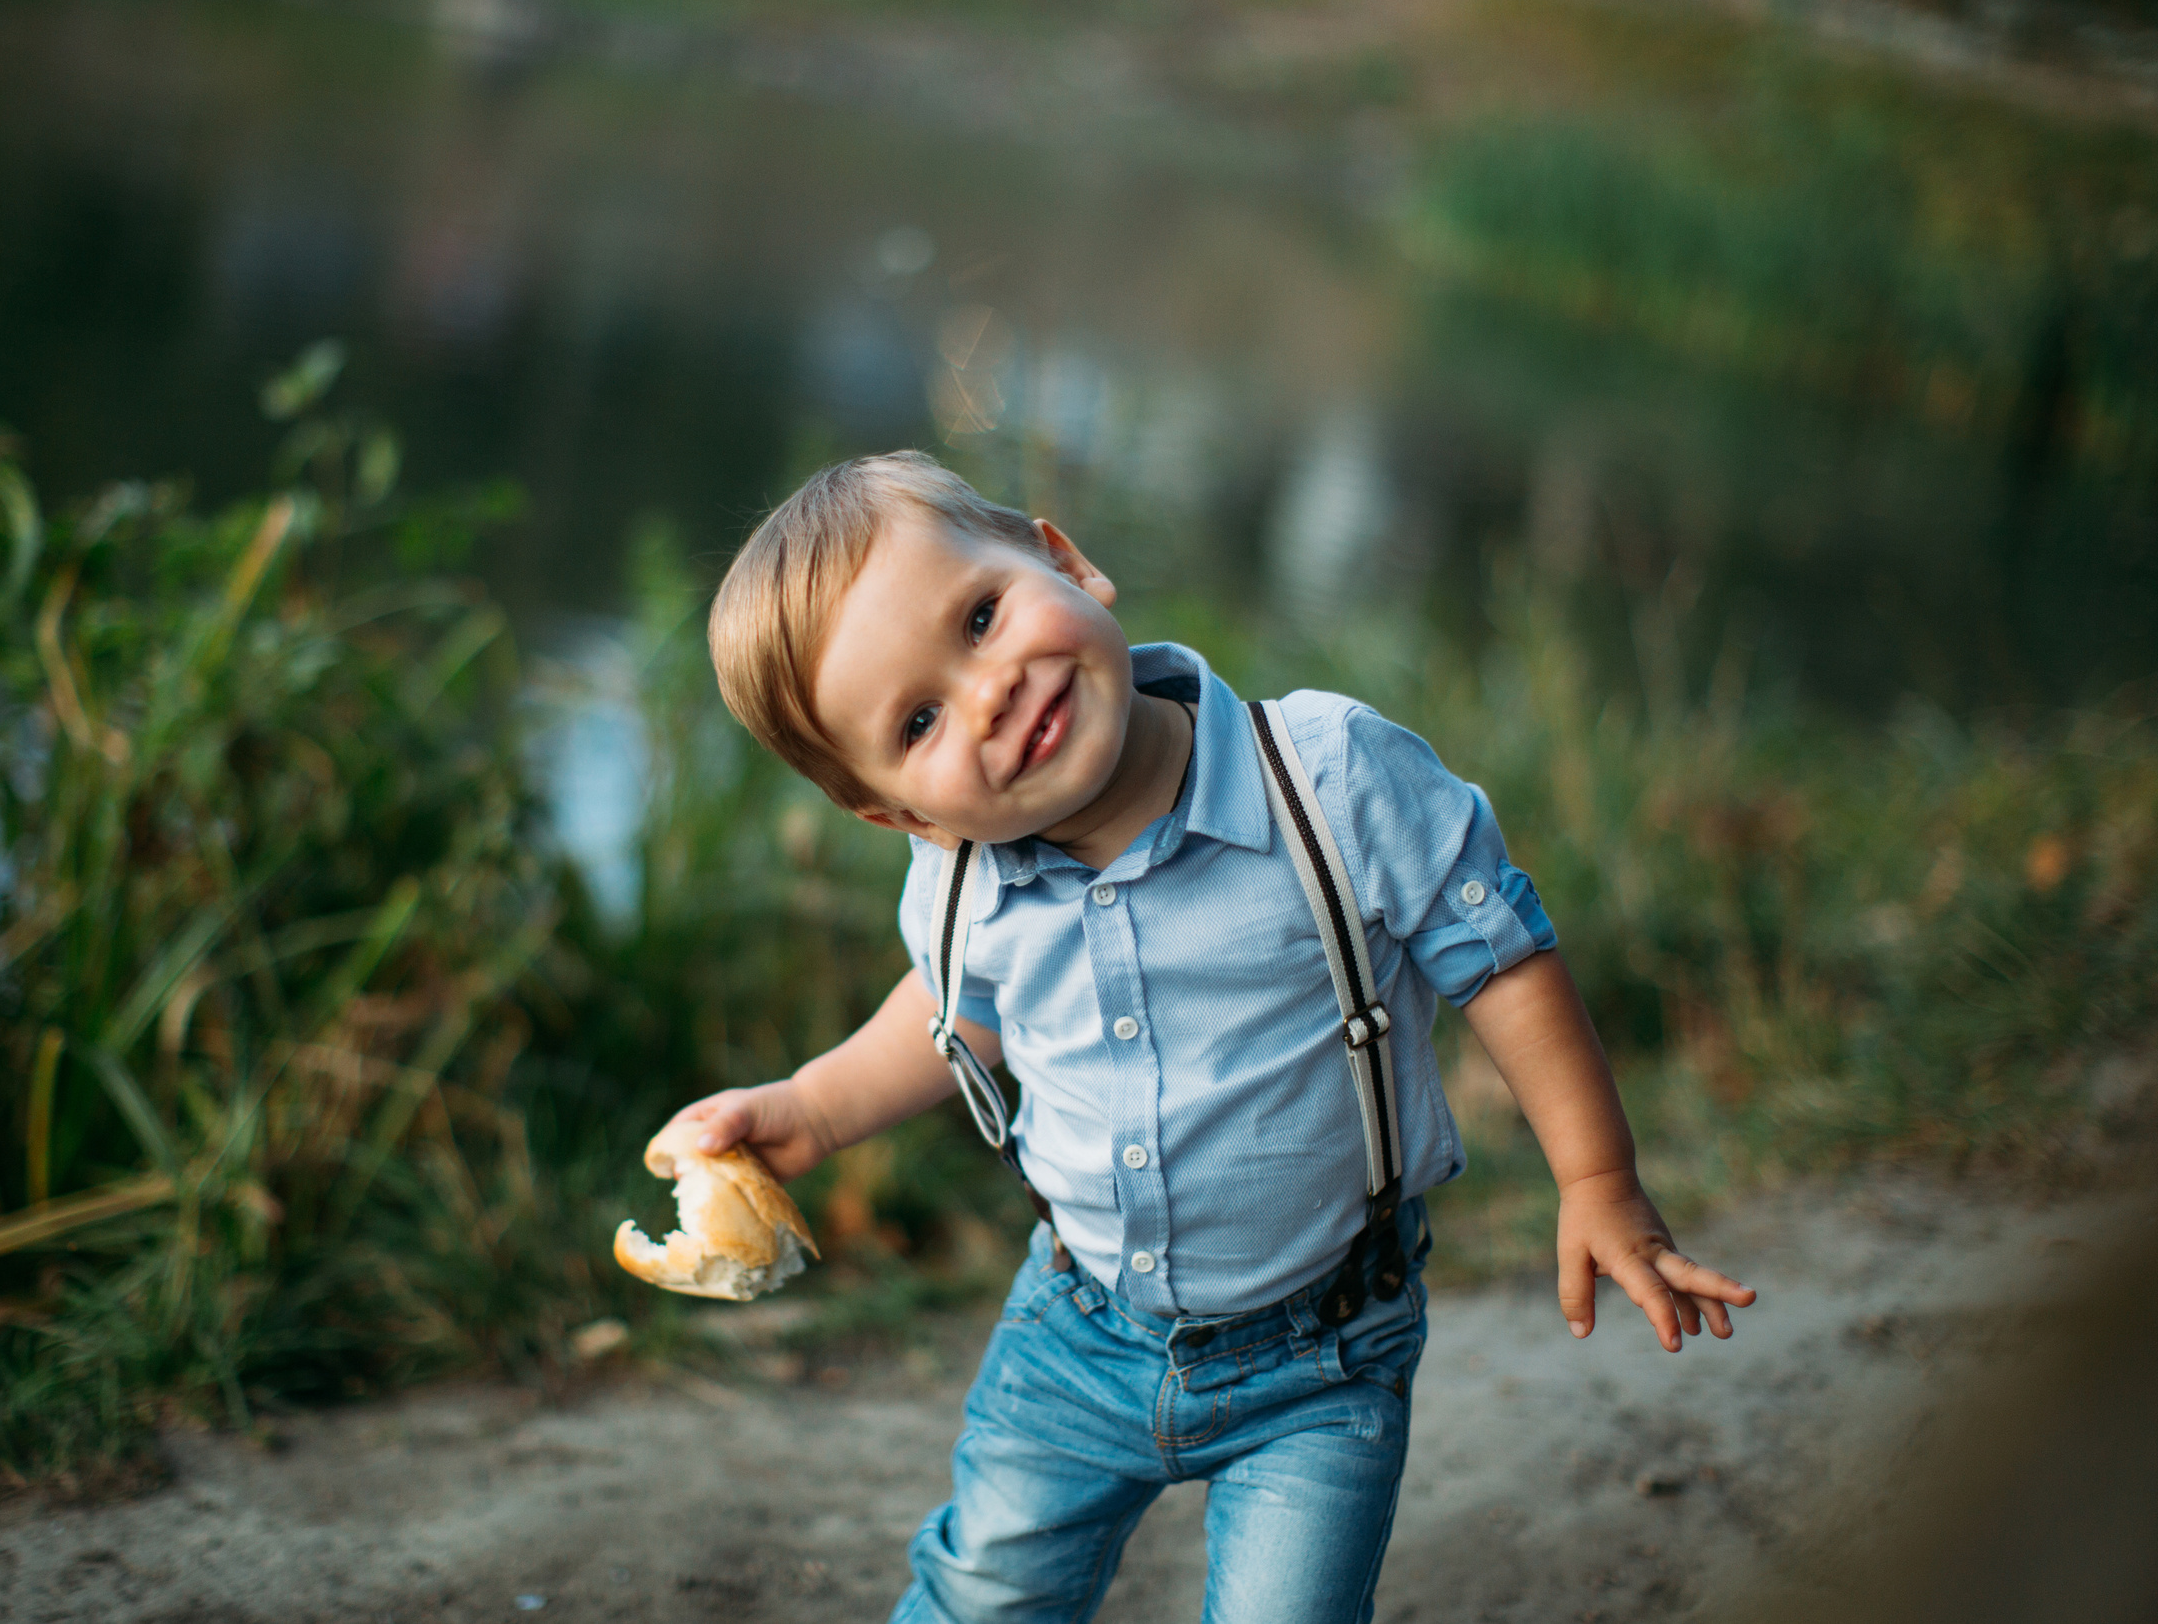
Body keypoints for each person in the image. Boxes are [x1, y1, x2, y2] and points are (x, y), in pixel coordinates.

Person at [664, 450, 1754, 1624]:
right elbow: (956, 1019)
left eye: (980, 618)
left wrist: (1597, 1180)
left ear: (1064, 560)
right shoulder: (960, 884)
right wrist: (812, 1108)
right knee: (983, 1593)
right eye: (920, 719)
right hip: (1075, 1335)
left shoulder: (1329, 780)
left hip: (1323, 1355)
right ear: (898, 814)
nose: (988, 695)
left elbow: (1503, 961)